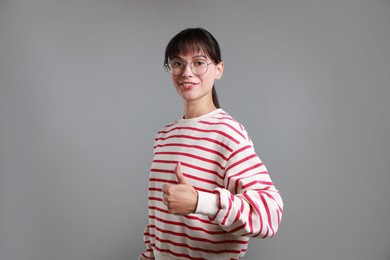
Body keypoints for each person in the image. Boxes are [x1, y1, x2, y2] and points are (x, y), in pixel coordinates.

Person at [139, 28, 283, 260]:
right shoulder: (164, 137)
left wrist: (200, 202)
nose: (187, 72)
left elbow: (270, 213)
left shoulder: (228, 133)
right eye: (177, 63)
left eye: (198, 62)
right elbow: (158, 218)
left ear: (219, 69)